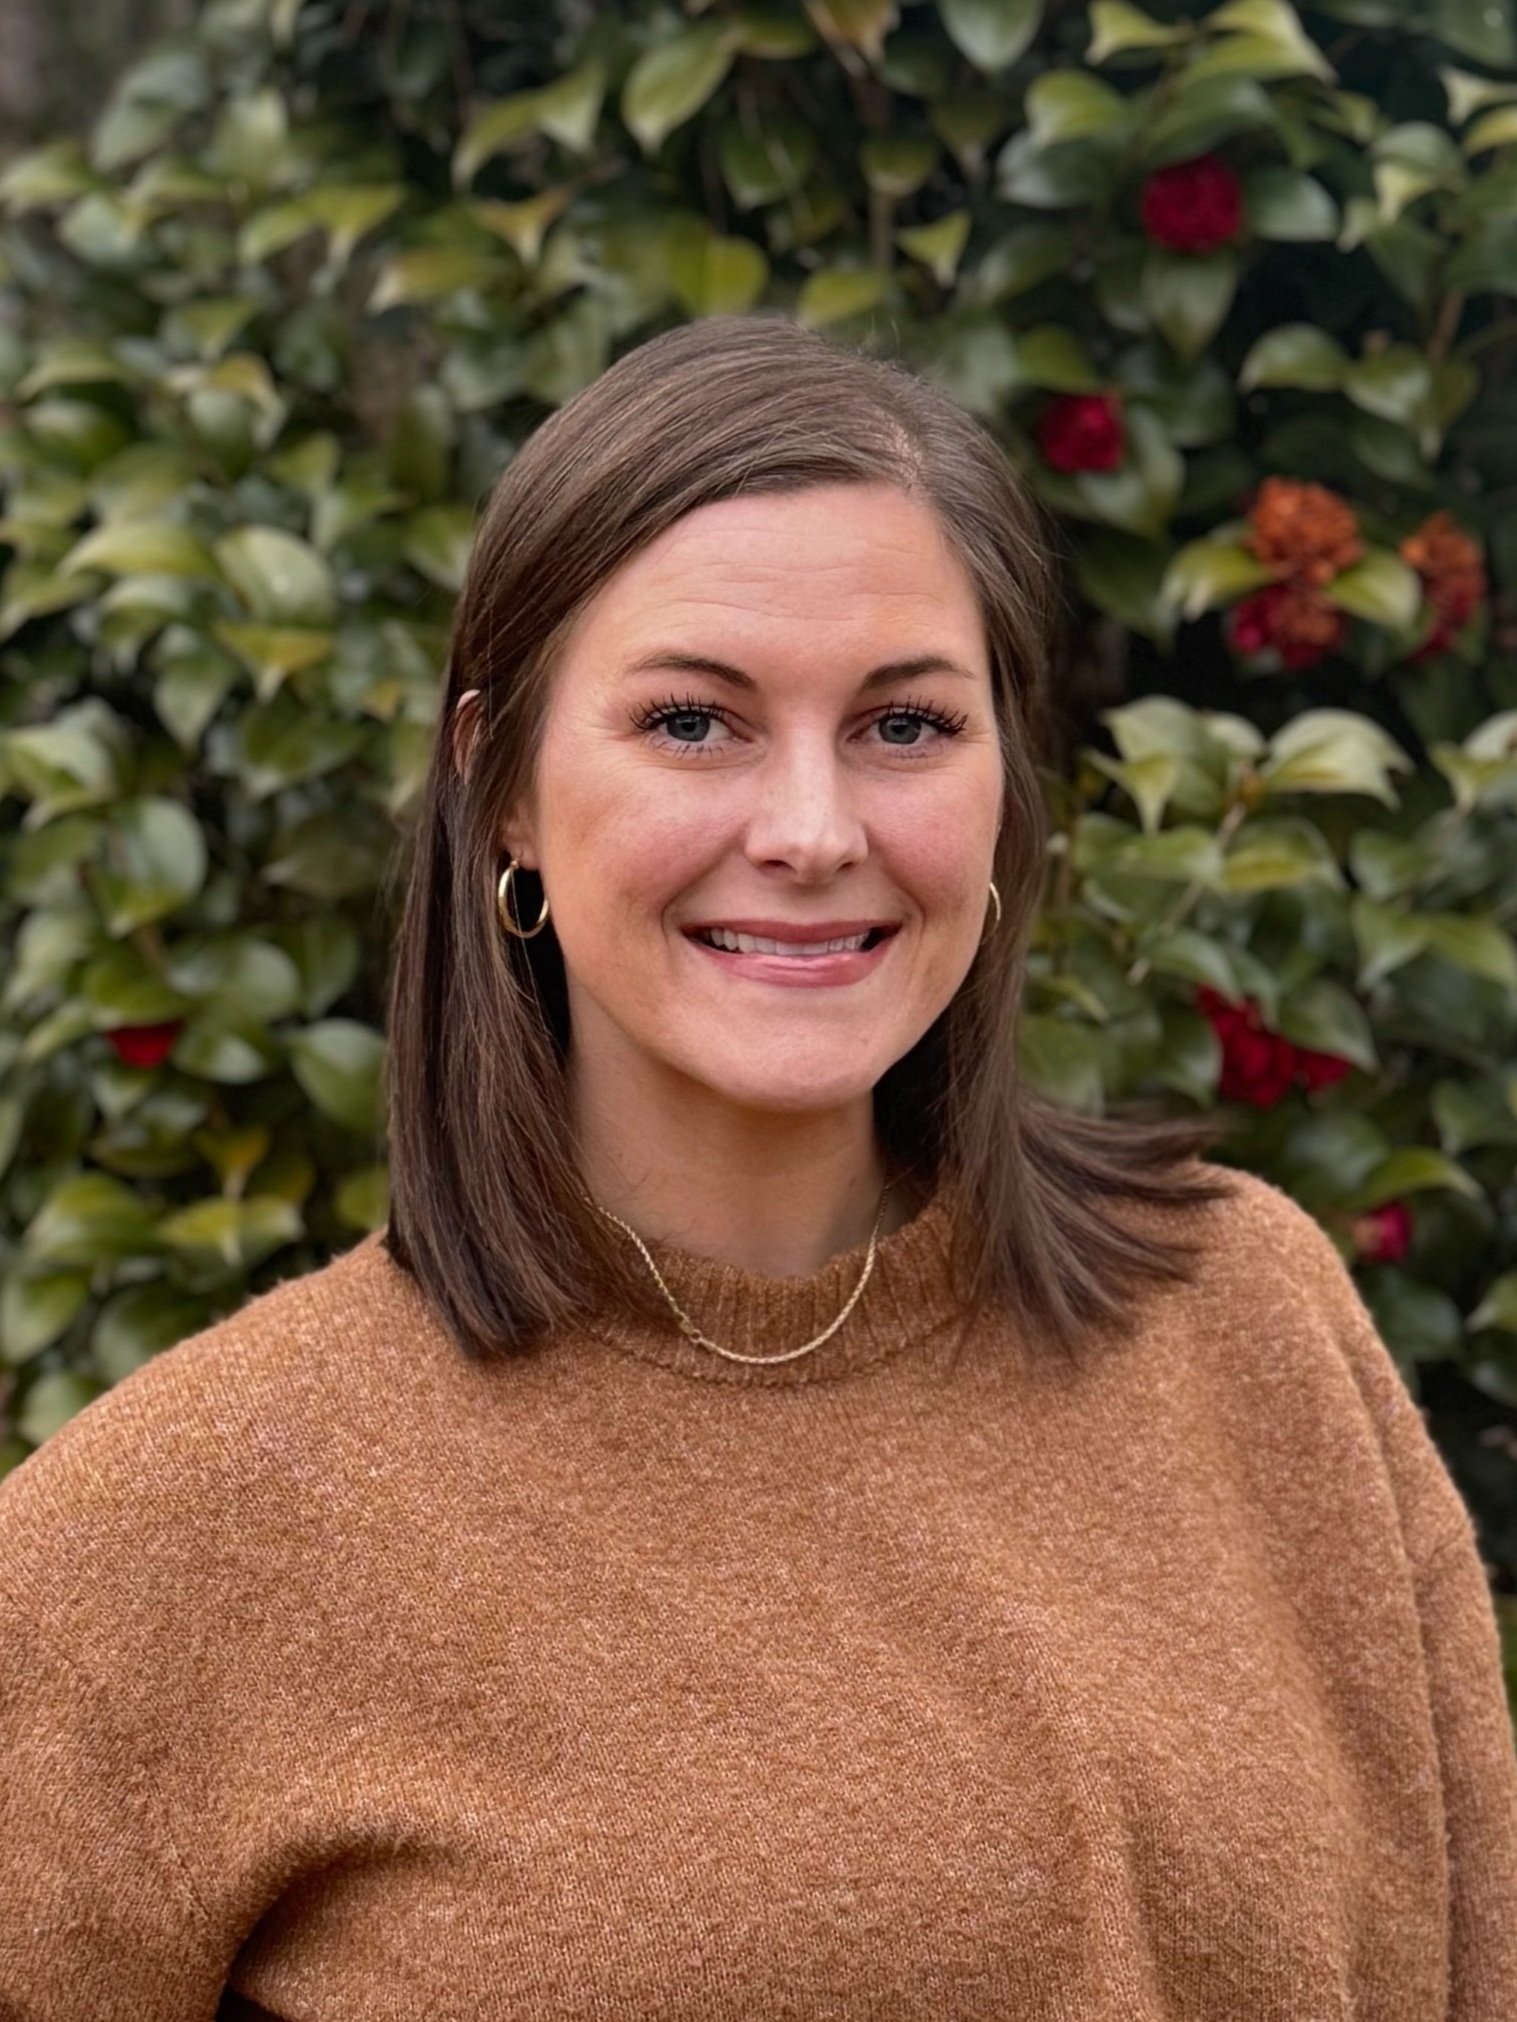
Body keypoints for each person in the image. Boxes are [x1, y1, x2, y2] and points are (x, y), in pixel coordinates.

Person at [0, 313, 1513, 2020]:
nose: (810, 828)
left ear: (1007, 787)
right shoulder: (191, 1521)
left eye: (905, 726)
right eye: (694, 723)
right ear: (495, 784)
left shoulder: (1247, 1322)